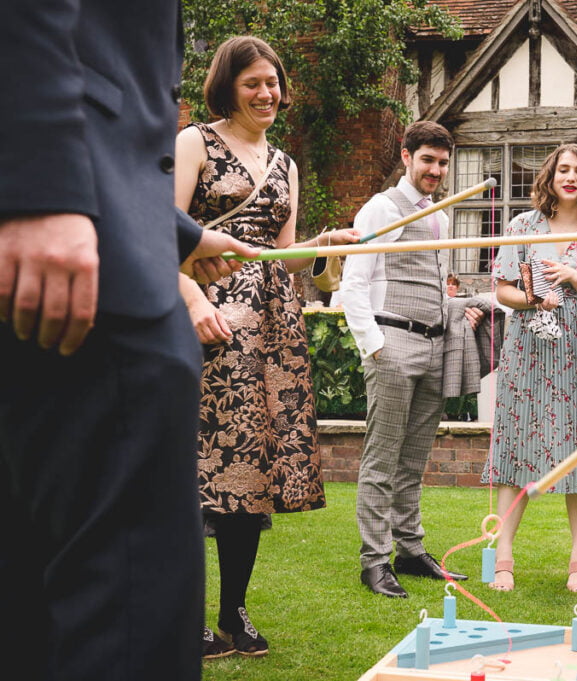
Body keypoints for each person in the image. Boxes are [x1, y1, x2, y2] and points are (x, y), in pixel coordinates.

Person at [0, 2, 260, 679]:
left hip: (105, 217)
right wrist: (37, 187)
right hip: (85, 256)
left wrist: (179, 234)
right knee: (129, 607)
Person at [174, 36, 359, 657]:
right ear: (228, 85)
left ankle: (235, 612)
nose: (267, 93)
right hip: (204, 320)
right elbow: (158, 237)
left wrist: (325, 243)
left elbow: (287, 255)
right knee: (200, 474)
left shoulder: (286, 163)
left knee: (249, 476)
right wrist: (194, 301)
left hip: (270, 328)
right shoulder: (194, 142)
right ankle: (185, 616)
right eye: (254, 82)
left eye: (274, 82)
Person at [481, 144, 577, 593]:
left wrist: (574, 279)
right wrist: (533, 298)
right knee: (516, 449)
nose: (570, 178)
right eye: (562, 170)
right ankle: (505, 556)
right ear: (550, 176)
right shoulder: (522, 227)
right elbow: (503, 291)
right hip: (530, 351)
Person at [336, 121, 476, 598]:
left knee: (413, 461)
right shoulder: (380, 207)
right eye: (428, 160)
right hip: (392, 344)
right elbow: (353, 282)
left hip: (435, 347)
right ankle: (373, 561)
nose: (436, 170)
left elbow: (435, 285)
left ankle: (410, 551)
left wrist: (458, 312)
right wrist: (374, 346)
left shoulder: (440, 215)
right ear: (406, 156)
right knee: (381, 459)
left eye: (442, 163)